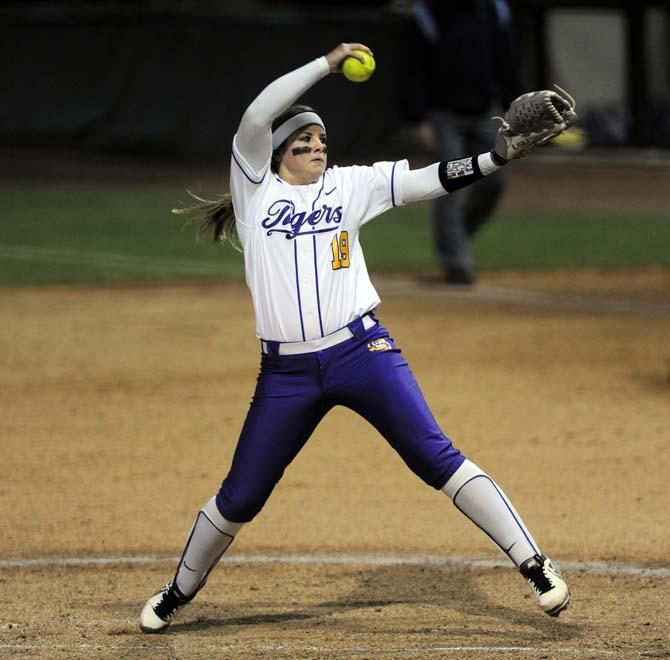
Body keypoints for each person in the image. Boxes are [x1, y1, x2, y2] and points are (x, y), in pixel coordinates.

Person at [139, 43, 570, 633]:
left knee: (435, 456)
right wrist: (327, 63)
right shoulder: (254, 192)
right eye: (303, 142)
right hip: (286, 375)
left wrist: (494, 158)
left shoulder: (351, 187)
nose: (317, 146)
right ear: (275, 153)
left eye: (320, 140)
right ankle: (177, 592)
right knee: (240, 496)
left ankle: (535, 565)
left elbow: (429, 180)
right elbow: (256, 114)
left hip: (360, 353)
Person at [399, 0, 523, 285]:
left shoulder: (495, 10)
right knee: (450, 185)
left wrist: (512, 105)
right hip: (443, 115)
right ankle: (456, 263)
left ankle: (456, 239)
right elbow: (411, 70)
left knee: (495, 182)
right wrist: (418, 118)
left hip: (485, 112)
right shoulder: (427, 14)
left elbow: (506, 61)